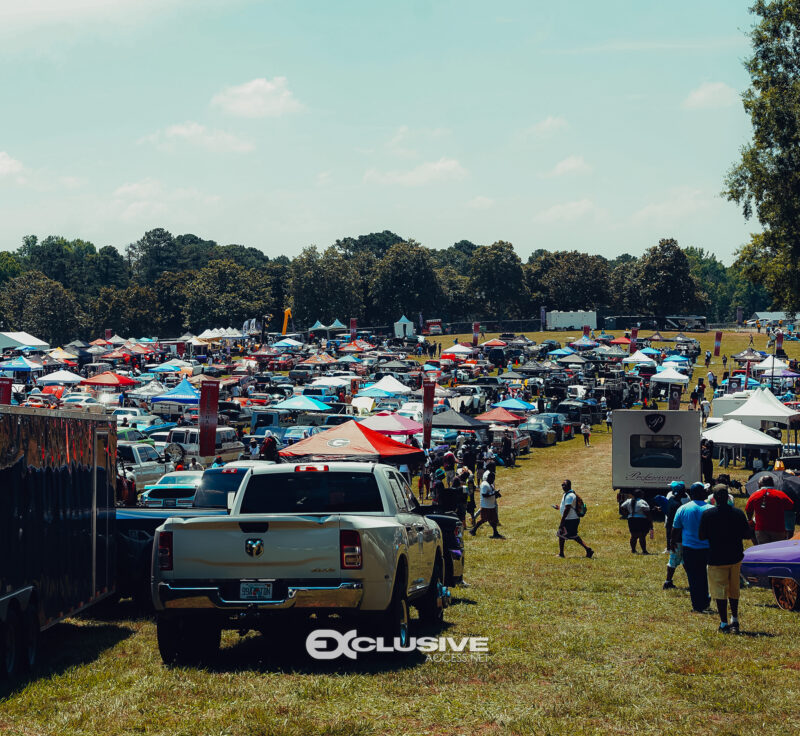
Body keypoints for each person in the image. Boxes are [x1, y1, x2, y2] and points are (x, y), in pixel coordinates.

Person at [698, 485, 752, 633]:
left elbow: (701, 536)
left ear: (714, 498)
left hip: (716, 557)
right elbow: (747, 534)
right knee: (734, 590)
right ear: (728, 497)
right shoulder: (738, 513)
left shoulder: (708, 514)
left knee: (719, 591)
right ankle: (735, 619)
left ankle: (723, 623)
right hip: (735, 556)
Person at [671, 482, 711, 613]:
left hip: (689, 547)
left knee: (693, 576)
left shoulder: (683, 509)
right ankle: (705, 600)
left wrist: (672, 542)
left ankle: (697, 604)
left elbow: (676, 528)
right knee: (704, 575)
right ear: (702, 493)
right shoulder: (710, 508)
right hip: (707, 547)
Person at [745, 475, 794, 543]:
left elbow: (748, 509)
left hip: (761, 529)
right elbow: (791, 506)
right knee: (777, 548)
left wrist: (750, 519)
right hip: (778, 529)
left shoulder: (755, 495)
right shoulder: (781, 494)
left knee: (763, 547)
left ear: (761, 484)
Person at [554, 479, 593, 558]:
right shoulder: (567, 494)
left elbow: (567, 509)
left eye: (564, 485)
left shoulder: (570, 496)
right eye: (562, 485)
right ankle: (588, 549)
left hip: (570, 520)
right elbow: (567, 507)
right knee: (570, 535)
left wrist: (562, 521)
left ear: (569, 486)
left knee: (563, 534)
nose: (563, 486)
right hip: (571, 519)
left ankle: (562, 554)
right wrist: (559, 508)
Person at [663, 481, 689, 589]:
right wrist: (673, 540)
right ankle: (668, 582)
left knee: (683, 560)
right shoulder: (678, 505)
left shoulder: (671, 501)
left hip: (674, 535)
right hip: (678, 537)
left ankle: (669, 581)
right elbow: (677, 525)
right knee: (675, 560)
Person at [469, 471, 503, 538]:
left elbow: (491, 493)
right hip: (486, 506)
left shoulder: (490, 484)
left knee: (494, 520)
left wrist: (496, 494)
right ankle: (473, 530)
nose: (493, 480)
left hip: (491, 505)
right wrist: (493, 493)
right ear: (489, 478)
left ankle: (495, 533)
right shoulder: (484, 485)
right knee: (483, 519)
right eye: (493, 478)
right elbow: (484, 495)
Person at [620, 490, 652, 554]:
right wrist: (649, 520)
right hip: (641, 520)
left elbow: (622, 506)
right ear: (641, 495)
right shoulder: (642, 501)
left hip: (631, 519)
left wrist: (627, 513)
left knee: (633, 535)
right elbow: (646, 510)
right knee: (642, 536)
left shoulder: (628, 501)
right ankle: (644, 551)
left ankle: (633, 550)